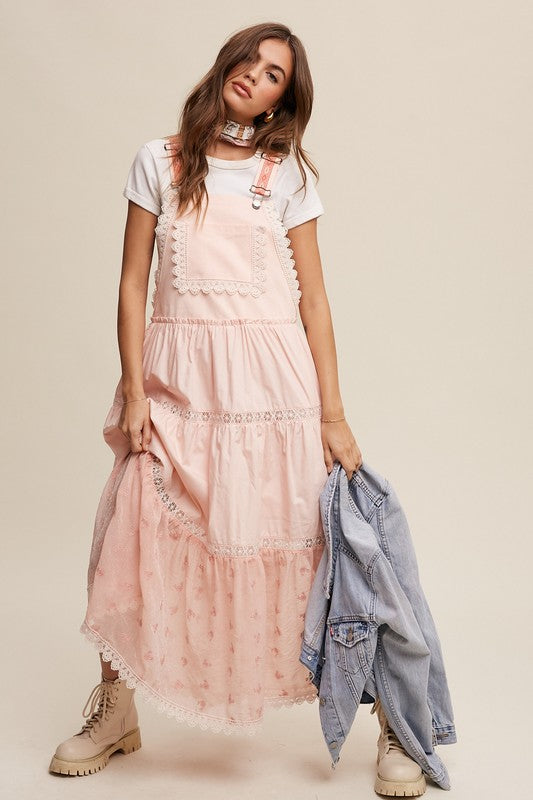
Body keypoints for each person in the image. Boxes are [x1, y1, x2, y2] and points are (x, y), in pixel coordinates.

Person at [48, 21, 426, 797]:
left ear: (285, 99)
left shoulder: (284, 172)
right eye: (251, 61)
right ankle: (116, 707)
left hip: (271, 390)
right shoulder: (160, 160)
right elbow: (131, 284)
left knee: (323, 548)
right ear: (227, 65)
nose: (257, 76)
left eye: (276, 74)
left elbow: (313, 298)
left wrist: (332, 412)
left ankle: (392, 722)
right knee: (131, 531)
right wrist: (131, 386)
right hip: (176, 380)